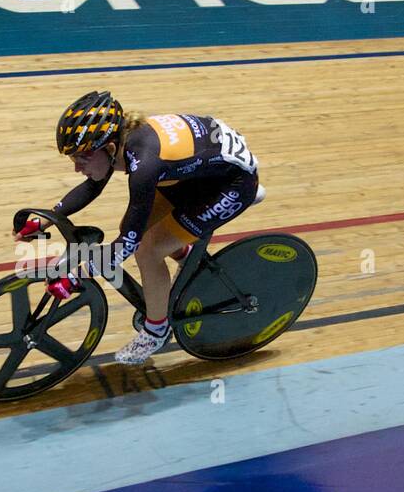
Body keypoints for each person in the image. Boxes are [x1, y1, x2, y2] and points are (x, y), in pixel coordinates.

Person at [15, 90, 263, 365]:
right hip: (198, 173)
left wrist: (78, 275)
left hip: (231, 186)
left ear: (109, 149)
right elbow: (93, 186)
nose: (76, 168)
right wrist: (47, 217)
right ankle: (187, 257)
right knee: (132, 225)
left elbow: (127, 245)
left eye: (81, 159)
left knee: (148, 250)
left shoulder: (144, 163)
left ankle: (157, 330)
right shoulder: (121, 143)